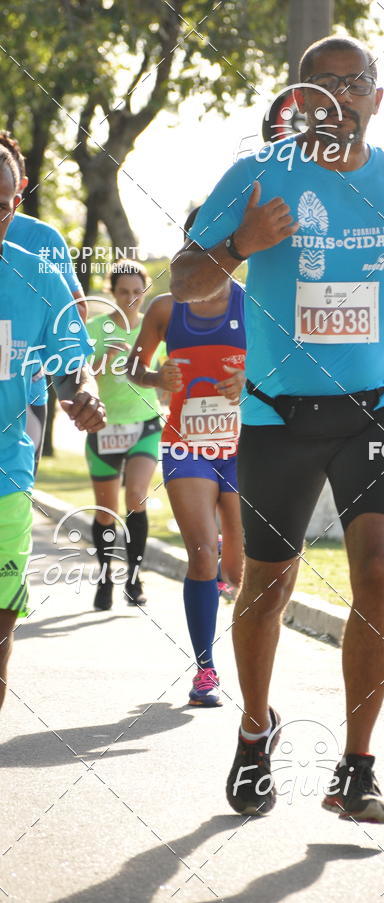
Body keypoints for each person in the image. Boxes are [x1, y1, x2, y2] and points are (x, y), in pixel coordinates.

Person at [171, 36, 384, 822]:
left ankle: (358, 766)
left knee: (381, 569)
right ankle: (256, 732)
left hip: (375, 404)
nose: (337, 97)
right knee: (269, 585)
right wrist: (239, 245)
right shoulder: (258, 175)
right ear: (299, 100)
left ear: (376, 96)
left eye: (352, 83)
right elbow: (184, 275)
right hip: (274, 412)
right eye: (319, 86)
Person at [0, 146, 105, 710]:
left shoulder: (41, 251)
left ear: (18, 198)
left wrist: (79, 391)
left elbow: (68, 350)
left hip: (8, 455)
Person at [127, 232, 246, 706]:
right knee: (201, 555)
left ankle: (226, 561)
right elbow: (133, 368)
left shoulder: (254, 304)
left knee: (237, 568)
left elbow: (290, 364)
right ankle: (205, 672)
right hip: (186, 444)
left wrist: (251, 375)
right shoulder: (164, 308)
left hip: (243, 446)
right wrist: (156, 376)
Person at [0, 132, 87, 473]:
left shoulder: (43, 239)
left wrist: (37, 349)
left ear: (19, 188)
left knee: (17, 487)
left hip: (27, 393)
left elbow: (73, 311)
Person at [85, 259, 165, 611]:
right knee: (106, 511)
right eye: (123, 292)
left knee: (136, 497)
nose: (131, 298)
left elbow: (162, 373)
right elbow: (79, 376)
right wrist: (108, 357)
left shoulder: (155, 328)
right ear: (112, 292)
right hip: (103, 427)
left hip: (144, 424)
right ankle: (105, 577)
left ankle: (134, 578)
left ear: (144, 292)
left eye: (137, 292)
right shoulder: (95, 328)